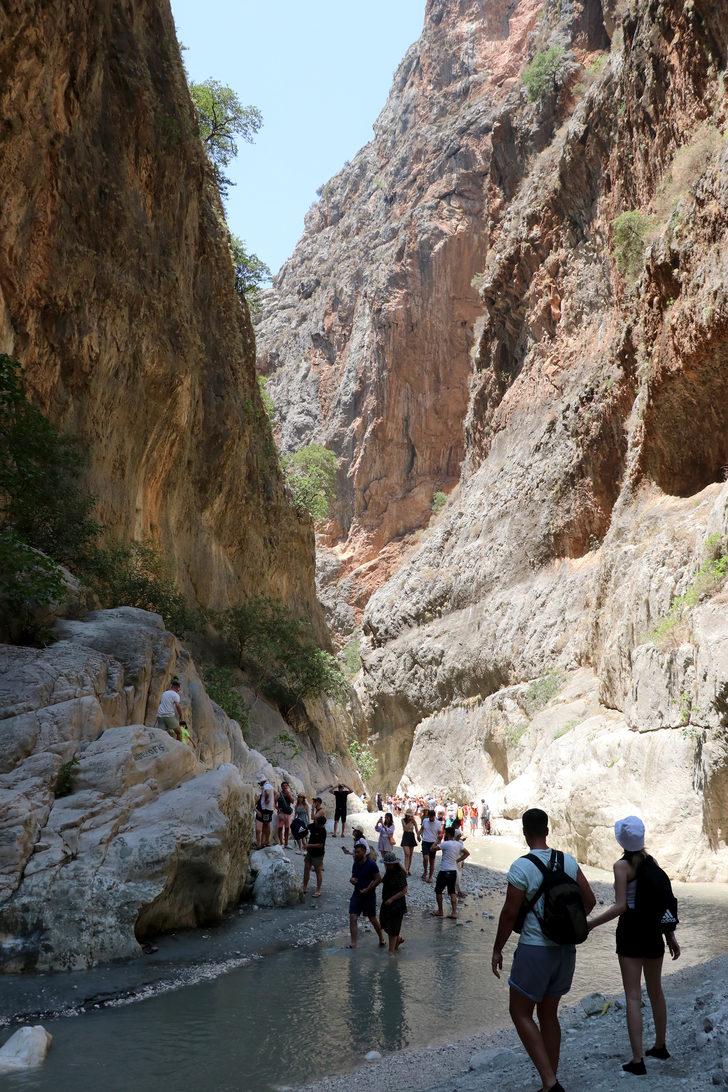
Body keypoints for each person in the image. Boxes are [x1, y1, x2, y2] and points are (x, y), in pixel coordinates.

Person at [491, 807, 596, 1092]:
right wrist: (568, 927)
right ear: (547, 830)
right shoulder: (568, 861)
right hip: (565, 951)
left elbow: (509, 914)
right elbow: (590, 901)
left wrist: (497, 949)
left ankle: (549, 1081)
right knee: (549, 1014)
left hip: (535, 950)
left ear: (525, 833)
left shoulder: (521, 867)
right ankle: (551, 1081)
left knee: (519, 1012)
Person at [587, 816, 680, 1076]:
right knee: (656, 991)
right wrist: (670, 936)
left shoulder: (621, 866)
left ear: (621, 840)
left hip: (630, 935)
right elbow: (662, 902)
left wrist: (591, 924)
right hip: (654, 935)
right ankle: (660, 1046)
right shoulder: (653, 864)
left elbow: (620, 906)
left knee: (632, 996)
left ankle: (638, 1059)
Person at [347, 843, 385, 948]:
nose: (355, 854)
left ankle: (381, 938)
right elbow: (353, 877)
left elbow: (378, 879)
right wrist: (352, 880)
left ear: (364, 852)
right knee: (353, 916)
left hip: (369, 895)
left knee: (372, 918)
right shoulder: (355, 863)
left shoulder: (371, 864)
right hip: (357, 893)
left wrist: (368, 889)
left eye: (358, 852)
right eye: (355, 852)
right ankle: (353, 943)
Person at [431, 830, 469, 919]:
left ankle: (440, 911)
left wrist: (437, 840)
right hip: (453, 871)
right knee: (452, 891)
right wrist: (457, 860)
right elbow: (467, 853)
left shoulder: (445, 844)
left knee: (438, 891)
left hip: (444, 870)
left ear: (448, 834)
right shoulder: (459, 844)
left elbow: (432, 849)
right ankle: (454, 913)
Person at [380, 851, 408, 954]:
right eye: (386, 864)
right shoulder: (388, 871)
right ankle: (398, 939)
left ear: (393, 863)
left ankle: (391, 953)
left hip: (397, 905)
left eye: (388, 864)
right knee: (384, 923)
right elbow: (384, 880)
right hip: (386, 903)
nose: (386, 865)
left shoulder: (400, 873)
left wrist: (391, 899)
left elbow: (404, 891)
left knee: (393, 928)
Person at [303, 813, 327, 897]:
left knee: (318, 872)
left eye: (316, 821)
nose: (314, 821)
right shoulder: (313, 825)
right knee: (306, 869)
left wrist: (308, 845)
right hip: (310, 852)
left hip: (318, 854)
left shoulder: (323, 831)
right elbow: (305, 828)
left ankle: (318, 890)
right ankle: (304, 887)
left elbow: (320, 845)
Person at [420, 809, 442, 883]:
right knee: (425, 857)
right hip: (425, 841)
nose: (431, 819)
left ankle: (430, 876)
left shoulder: (438, 823)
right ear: (428, 816)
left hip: (433, 843)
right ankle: (425, 871)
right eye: (430, 817)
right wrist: (418, 834)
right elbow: (422, 829)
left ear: (434, 816)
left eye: (432, 817)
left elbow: (439, 833)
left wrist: (439, 841)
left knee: (432, 860)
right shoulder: (425, 820)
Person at [255, 777, 276, 848]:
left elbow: (267, 793)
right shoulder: (267, 788)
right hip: (261, 810)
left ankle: (262, 843)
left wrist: (268, 800)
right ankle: (263, 842)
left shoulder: (266, 787)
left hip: (265, 810)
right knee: (264, 826)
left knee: (264, 826)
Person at [400, 810, 419, 875]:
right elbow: (406, 828)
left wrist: (418, 835)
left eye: (410, 815)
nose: (409, 816)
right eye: (408, 815)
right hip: (405, 836)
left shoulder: (413, 820)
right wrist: (411, 822)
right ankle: (406, 870)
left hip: (411, 836)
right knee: (407, 854)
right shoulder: (403, 820)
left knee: (410, 855)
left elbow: (416, 829)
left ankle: (407, 869)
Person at [276, 780, 294, 848]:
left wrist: (288, 794)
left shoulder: (289, 793)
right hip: (281, 813)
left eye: (286, 786)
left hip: (288, 814)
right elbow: (274, 803)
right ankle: (281, 843)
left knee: (287, 829)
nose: (285, 787)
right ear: (281, 787)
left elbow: (292, 801)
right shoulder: (279, 794)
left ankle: (286, 843)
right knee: (280, 828)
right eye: (283, 786)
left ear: (288, 786)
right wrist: (278, 809)